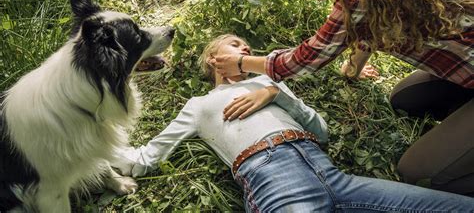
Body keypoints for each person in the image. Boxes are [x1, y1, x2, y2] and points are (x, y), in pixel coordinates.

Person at [209, 0, 474, 195]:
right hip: (465, 63)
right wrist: (353, 69)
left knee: (417, 173)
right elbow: (368, 29)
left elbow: (307, 58)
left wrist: (241, 62)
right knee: (404, 99)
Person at [114, 34, 474, 212]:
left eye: (246, 46)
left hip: (334, 176)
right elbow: (144, 159)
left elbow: (322, 132)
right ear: (212, 58)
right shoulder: (199, 104)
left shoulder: (272, 84)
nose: (244, 50)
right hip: (275, 182)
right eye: (236, 44)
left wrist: (275, 94)